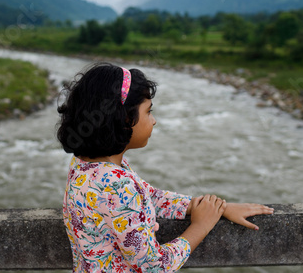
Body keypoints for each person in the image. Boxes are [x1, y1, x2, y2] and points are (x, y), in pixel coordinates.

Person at [57, 62, 274, 273]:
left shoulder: (85, 165)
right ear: (125, 119)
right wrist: (201, 225)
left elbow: (149, 197)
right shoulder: (117, 184)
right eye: (149, 112)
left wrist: (218, 208)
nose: (154, 121)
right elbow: (153, 267)